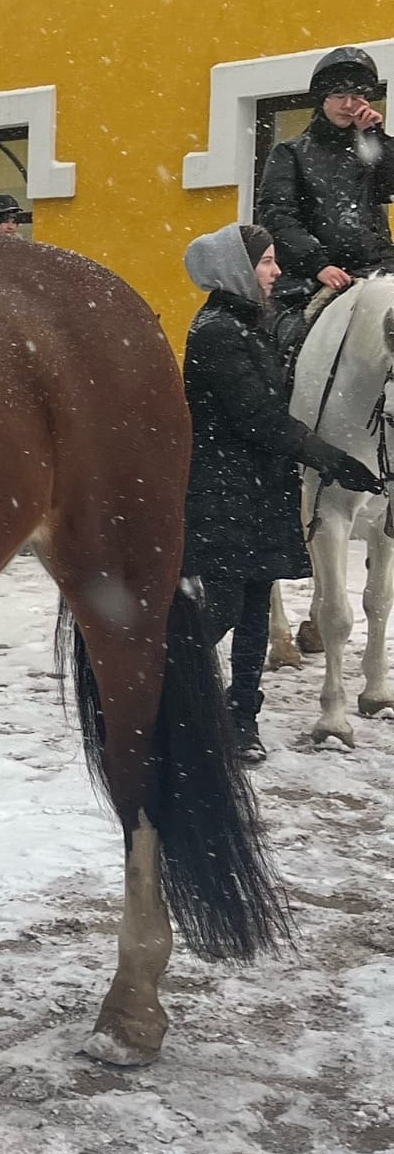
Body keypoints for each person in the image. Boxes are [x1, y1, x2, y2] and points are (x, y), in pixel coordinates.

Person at [181, 221, 377, 760]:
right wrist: (333, 460)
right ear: (236, 269)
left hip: (260, 487)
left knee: (253, 613)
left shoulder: (253, 322)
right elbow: (259, 418)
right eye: (265, 261)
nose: (275, 271)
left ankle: (242, 717)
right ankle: (167, 697)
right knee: (220, 609)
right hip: (223, 489)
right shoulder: (218, 331)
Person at [255, 46, 394, 349]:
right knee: (290, 346)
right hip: (311, 280)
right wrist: (317, 265)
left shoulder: (370, 148)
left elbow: (390, 187)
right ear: (322, 99)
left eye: (357, 96)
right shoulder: (290, 153)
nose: (348, 104)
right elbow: (277, 216)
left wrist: (373, 135)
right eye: (338, 95)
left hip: (379, 273)